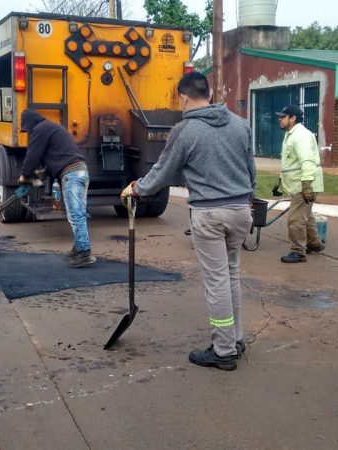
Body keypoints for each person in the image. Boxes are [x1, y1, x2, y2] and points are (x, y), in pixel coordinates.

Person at [121, 72, 256, 371]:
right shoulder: (240, 125)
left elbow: (163, 171)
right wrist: (249, 198)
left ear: (183, 97)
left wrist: (137, 188)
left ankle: (223, 351)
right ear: (208, 93)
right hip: (240, 210)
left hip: (210, 215)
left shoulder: (185, 130)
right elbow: (250, 169)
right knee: (231, 274)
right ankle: (235, 339)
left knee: (217, 281)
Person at [18, 109, 95, 268]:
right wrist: (42, 174)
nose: (28, 133)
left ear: (30, 123)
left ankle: (84, 252)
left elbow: (33, 154)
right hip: (80, 171)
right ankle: (79, 247)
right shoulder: (52, 127)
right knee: (77, 213)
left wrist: (25, 175)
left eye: (27, 129)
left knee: (75, 214)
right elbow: (56, 156)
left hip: (71, 175)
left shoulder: (40, 130)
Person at [274, 105, 325, 263]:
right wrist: (280, 182)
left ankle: (298, 251)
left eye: (283, 117)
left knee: (295, 219)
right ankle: (314, 244)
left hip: (302, 184)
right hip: (299, 182)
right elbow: (291, 162)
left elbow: (307, 161)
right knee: (306, 216)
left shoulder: (301, 136)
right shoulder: (291, 134)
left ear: (292, 118)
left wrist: (306, 184)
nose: (279, 120)